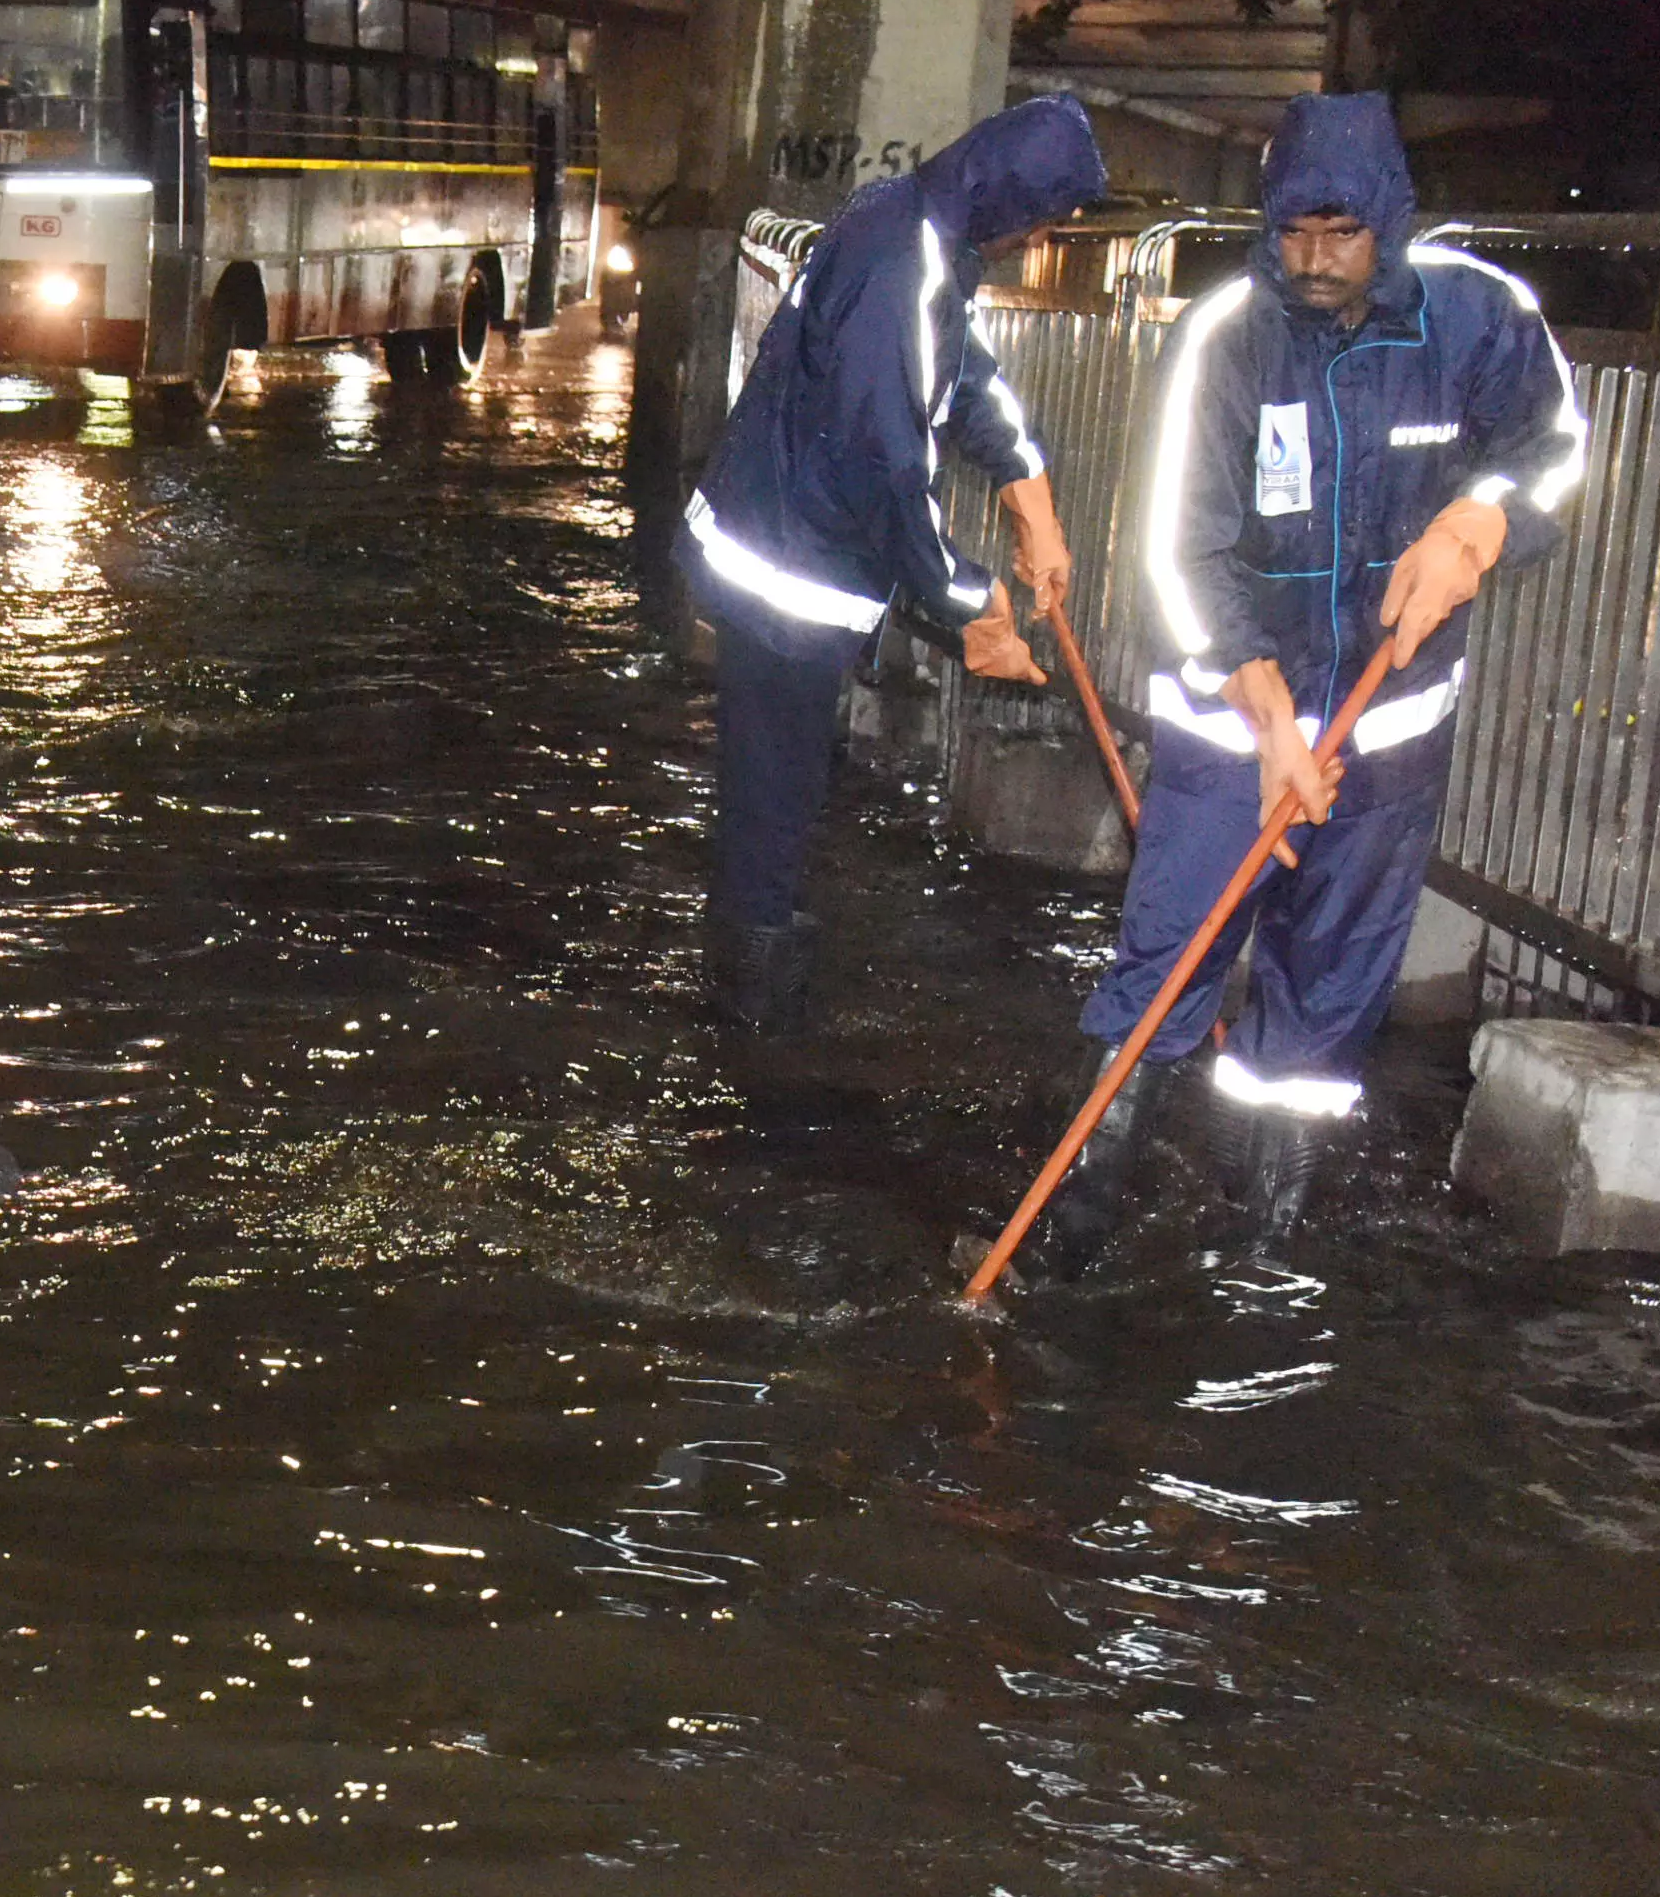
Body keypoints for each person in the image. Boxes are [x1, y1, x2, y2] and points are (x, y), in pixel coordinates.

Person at [1024, 91, 1586, 1274]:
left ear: (1386, 223)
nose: (1314, 261)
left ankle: (1259, 1243)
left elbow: (1551, 450)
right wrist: (1266, 711)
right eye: (1291, 234)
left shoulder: (1478, 318)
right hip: (1233, 730)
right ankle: (1069, 1241)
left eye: (1339, 234)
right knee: (1166, 958)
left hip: (1388, 735)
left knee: (1325, 986)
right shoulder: (1226, 335)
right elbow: (1182, 552)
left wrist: (1477, 525)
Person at [675, 94, 1108, 1033]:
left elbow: (963, 372)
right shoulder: (899, 264)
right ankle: (754, 1021)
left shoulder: (912, 222)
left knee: (778, 783)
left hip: (785, 543)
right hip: (784, 568)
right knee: (774, 789)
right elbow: (889, 460)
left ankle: (754, 972)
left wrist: (1027, 491)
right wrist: (969, 607)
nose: (1036, 240)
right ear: (1009, 200)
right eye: (1039, 221)